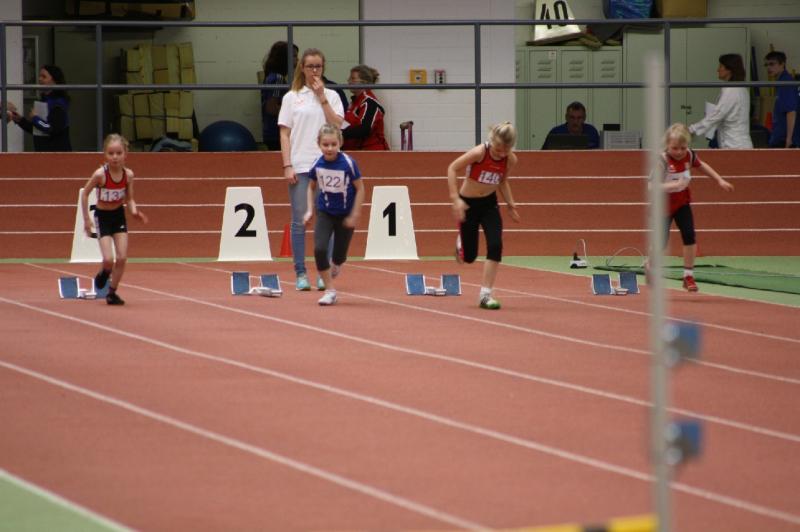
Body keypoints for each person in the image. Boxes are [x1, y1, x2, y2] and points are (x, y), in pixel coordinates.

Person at [278, 48, 345, 291]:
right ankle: (300, 273)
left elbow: (337, 125)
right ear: (302, 69)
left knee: (327, 220)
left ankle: (323, 273)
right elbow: (284, 133)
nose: (315, 70)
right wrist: (287, 164)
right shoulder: (292, 97)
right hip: (301, 164)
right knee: (299, 220)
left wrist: (322, 97)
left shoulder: (333, 96)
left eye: (318, 66)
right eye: (310, 66)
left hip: (328, 165)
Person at [448, 122, 520, 310]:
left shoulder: (510, 160)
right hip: (468, 204)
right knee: (469, 257)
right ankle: (461, 243)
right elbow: (452, 168)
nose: (501, 154)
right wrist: (455, 199)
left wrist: (510, 204)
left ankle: (485, 294)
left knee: (495, 245)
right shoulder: (480, 152)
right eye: (498, 148)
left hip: (489, 204)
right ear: (492, 140)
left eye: (505, 150)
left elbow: (503, 181)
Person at [653, 123, 734, 292]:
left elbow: (702, 166)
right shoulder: (662, 161)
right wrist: (674, 185)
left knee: (689, 235)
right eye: (675, 148)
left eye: (683, 148)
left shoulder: (689, 156)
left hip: (682, 203)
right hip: (663, 206)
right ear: (667, 145)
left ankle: (688, 275)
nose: (679, 152)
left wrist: (719, 180)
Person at [80, 134, 148, 305]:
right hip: (102, 217)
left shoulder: (128, 175)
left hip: (118, 216)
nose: (115, 157)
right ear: (105, 155)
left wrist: (134, 212)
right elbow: (85, 193)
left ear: (125, 154)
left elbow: (129, 198)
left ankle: (112, 292)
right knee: (109, 260)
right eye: (111, 153)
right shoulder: (100, 175)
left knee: (122, 257)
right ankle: (104, 272)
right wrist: (86, 219)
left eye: (119, 153)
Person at [303, 124, 365, 306]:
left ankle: (337, 264)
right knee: (320, 249)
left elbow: (361, 188)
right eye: (325, 145)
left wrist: (355, 213)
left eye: (333, 144)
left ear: (340, 143)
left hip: (345, 215)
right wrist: (309, 210)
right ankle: (330, 291)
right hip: (325, 212)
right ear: (319, 144)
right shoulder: (317, 163)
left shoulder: (348, 163)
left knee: (339, 256)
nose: (329, 148)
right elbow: (311, 187)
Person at [689, 54, 753, 149]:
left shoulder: (732, 90)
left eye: (720, 66)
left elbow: (717, 115)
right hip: (737, 144)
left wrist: (691, 130)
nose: (718, 70)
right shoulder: (741, 89)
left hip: (735, 146)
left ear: (729, 69)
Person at [5, 65, 71, 151]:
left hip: (57, 154)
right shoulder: (44, 101)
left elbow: (51, 128)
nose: (40, 79)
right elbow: (38, 130)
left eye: (44, 76)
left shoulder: (58, 104)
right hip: (42, 153)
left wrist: (36, 119)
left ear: (54, 81)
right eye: (39, 76)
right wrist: (20, 120)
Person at [261, 41, 298, 150]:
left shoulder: (272, 76)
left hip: (272, 131)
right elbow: (271, 108)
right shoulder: (278, 78)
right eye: (294, 56)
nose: (298, 59)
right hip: (276, 131)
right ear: (284, 58)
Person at [342, 64, 389, 151]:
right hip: (357, 151)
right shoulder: (353, 103)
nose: (349, 81)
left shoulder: (369, 103)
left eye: (353, 78)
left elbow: (364, 130)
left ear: (364, 82)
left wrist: (339, 133)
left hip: (371, 152)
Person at [764, 51, 799, 148]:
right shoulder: (780, 83)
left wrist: (789, 139)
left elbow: (791, 111)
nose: (768, 68)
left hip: (783, 140)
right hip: (779, 136)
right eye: (766, 65)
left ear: (782, 64)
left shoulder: (786, 83)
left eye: (772, 64)